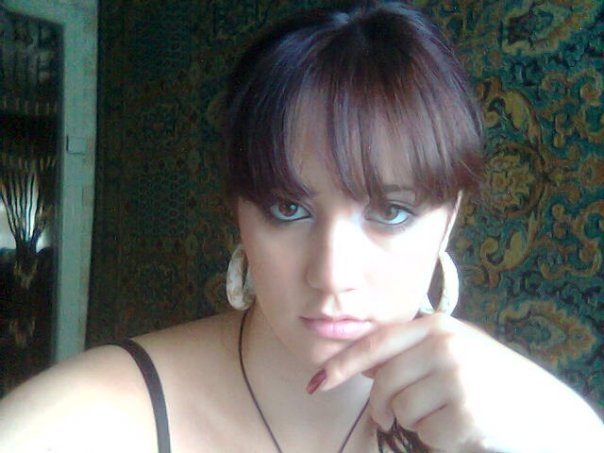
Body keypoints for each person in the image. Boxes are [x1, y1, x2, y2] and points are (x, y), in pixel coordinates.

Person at [0, 2, 602, 452]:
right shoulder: (84, 421)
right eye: (288, 208)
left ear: (449, 222)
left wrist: (570, 435)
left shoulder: (517, 426)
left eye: (390, 212)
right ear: (239, 212)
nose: (331, 275)